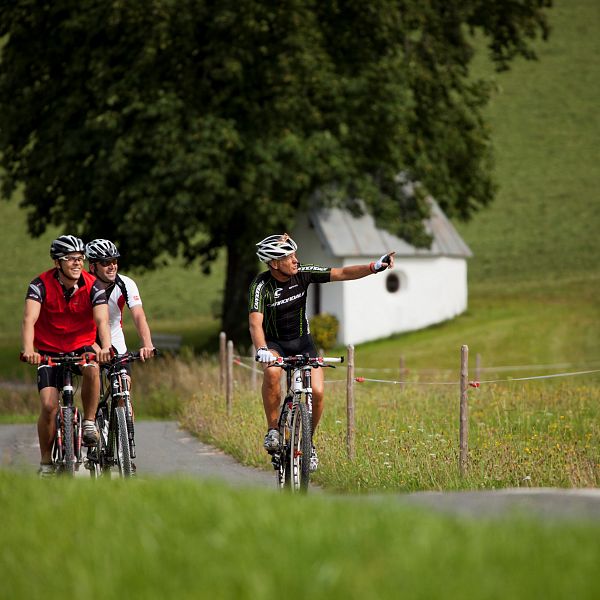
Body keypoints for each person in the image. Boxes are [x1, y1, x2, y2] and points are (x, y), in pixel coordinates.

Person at [248, 233, 395, 471]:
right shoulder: (261, 285)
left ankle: (308, 443)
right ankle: (273, 430)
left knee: (316, 391)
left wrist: (374, 267)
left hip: (303, 343)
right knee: (273, 374)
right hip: (275, 344)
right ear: (274, 263)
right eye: (289, 257)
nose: (296, 260)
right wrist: (262, 349)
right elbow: (255, 323)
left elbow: (342, 273)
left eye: (295, 255)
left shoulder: (303, 273)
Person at [21, 235, 112, 476]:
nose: (76, 263)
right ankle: (45, 463)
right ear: (57, 263)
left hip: (82, 344)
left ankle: (90, 422)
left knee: (93, 368)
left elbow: (102, 320)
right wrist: (30, 350)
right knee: (49, 406)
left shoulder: (93, 285)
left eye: (80, 259)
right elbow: (29, 319)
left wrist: (105, 348)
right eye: (70, 259)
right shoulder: (38, 285)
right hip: (49, 350)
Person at [85, 238, 155, 361]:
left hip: (114, 337)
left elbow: (138, 315)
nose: (112, 266)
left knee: (124, 378)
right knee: (92, 371)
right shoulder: (81, 285)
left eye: (114, 261)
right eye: (105, 263)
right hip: (86, 338)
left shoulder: (126, 284)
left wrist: (147, 344)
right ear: (92, 267)